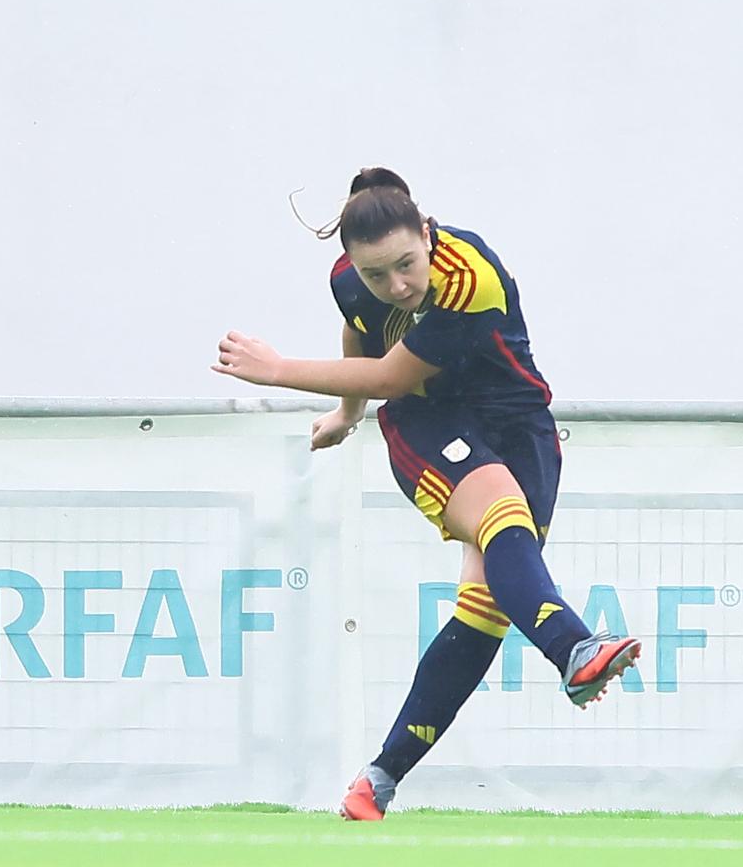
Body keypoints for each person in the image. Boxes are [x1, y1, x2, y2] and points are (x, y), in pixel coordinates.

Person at [212, 167, 641, 820]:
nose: (396, 285)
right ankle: (575, 648)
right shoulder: (350, 280)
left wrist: (277, 370)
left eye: (406, 265)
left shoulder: (469, 275)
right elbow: (363, 338)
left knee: (486, 607)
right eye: (376, 274)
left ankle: (377, 781)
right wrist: (348, 415)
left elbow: (386, 369)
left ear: (427, 231)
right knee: (501, 518)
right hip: (428, 421)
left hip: (518, 426)